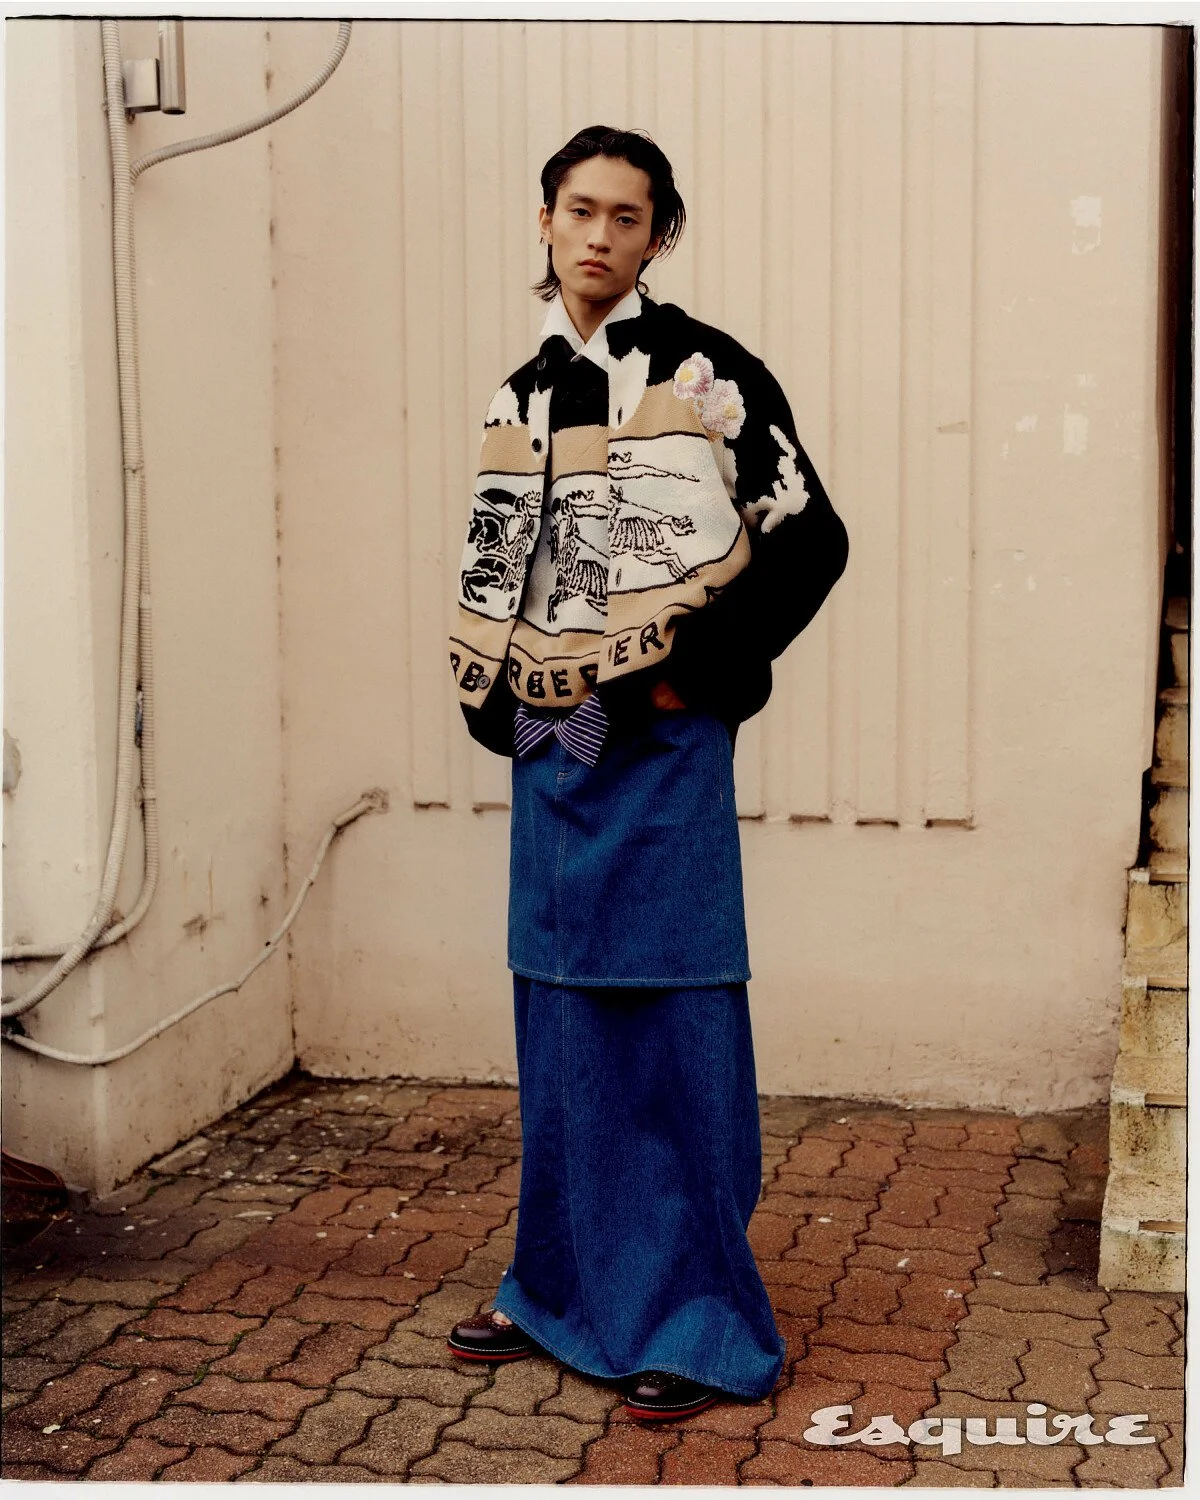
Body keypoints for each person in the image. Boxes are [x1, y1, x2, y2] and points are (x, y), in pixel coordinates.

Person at [445, 125, 848, 1421]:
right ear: (546, 220)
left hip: (664, 756)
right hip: (554, 757)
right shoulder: (518, 394)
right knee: (559, 1024)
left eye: (628, 216)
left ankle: (700, 1322)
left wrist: (694, 674)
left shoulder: (709, 376)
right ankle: (553, 1289)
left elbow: (812, 539)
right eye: (581, 210)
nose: (600, 235)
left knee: (671, 1028)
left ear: (658, 235)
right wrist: (500, 703)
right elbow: (500, 565)